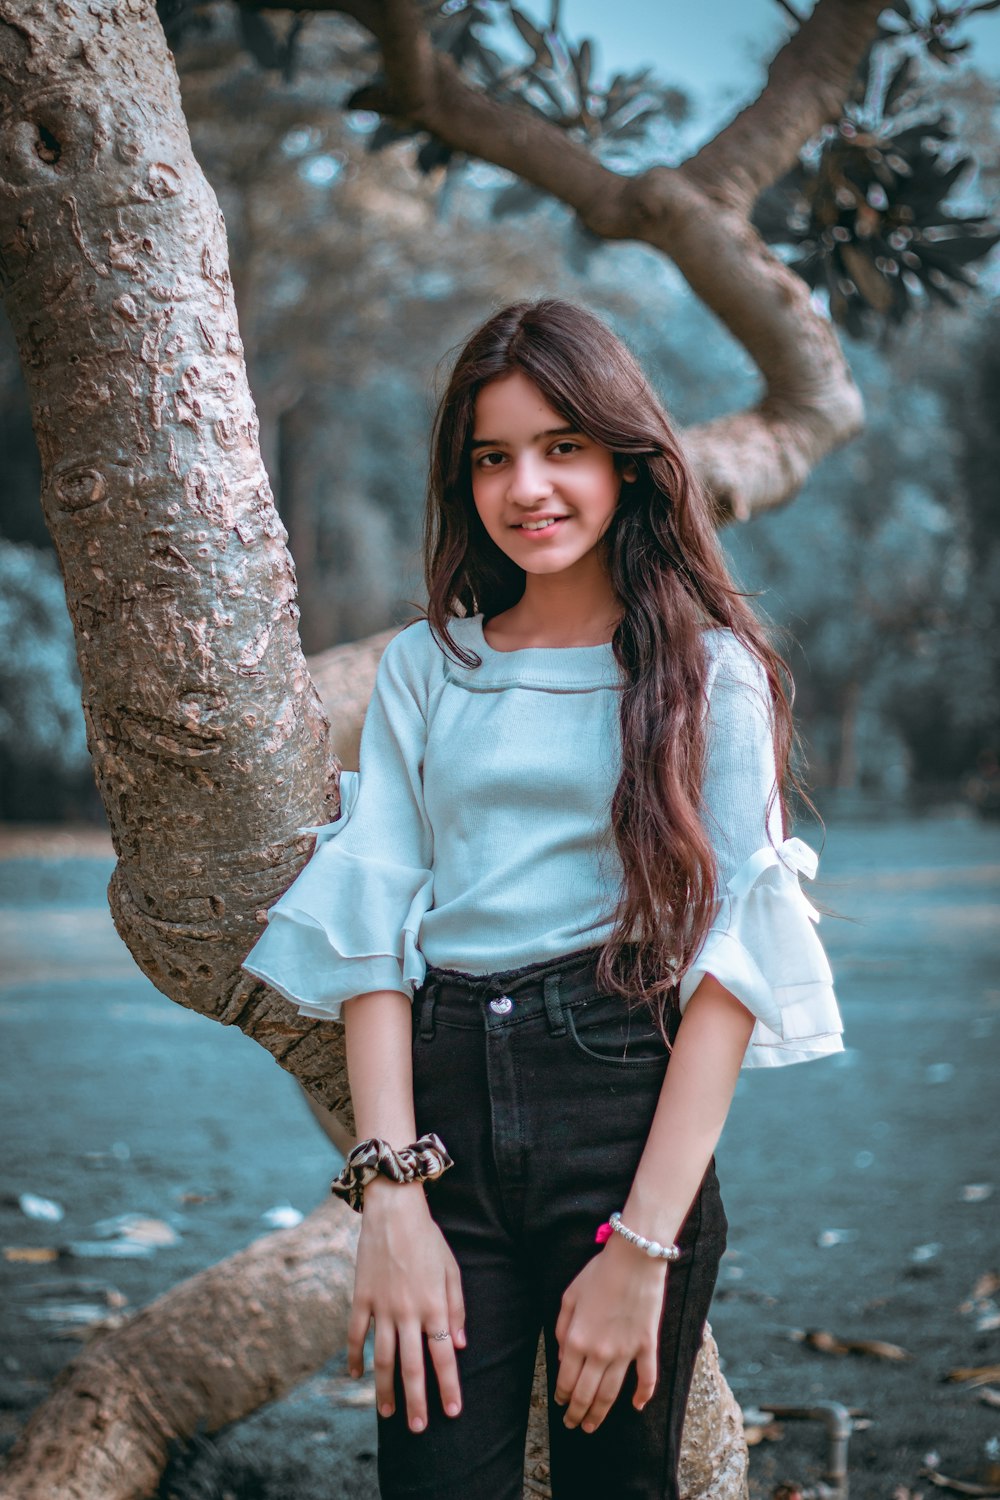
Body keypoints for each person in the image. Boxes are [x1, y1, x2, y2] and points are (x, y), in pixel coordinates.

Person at [241, 298, 844, 1500]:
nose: (528, 486)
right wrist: (391, 1200)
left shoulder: (706, 671)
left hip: (622, 1113)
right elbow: (377, 930)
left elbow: (732, 965)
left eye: (562, 445)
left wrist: (645, 1248)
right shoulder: (428, 666)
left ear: (625, 457)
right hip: (444, 1115)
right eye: (492, 455)